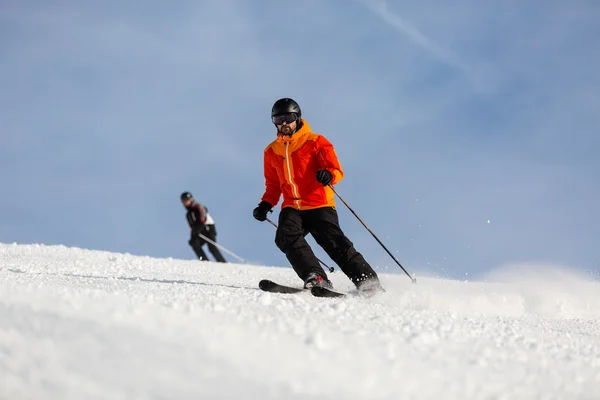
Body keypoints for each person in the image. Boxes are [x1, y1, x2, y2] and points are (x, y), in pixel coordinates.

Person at [252, 98, 383, 293]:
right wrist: (265, 204)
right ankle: (316, 276)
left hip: (319, 203)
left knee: (334, 244)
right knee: (286, 236)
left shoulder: (316, 141)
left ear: (297, 117)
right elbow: (273, 185)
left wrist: (328, 174)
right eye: (278, 119)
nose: (284, 123)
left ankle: (368, 283)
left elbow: (336, 169)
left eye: (288, 117)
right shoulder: (271, 151)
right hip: (292, 206)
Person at [181, 192, 226, 263]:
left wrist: (198, 228)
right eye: (184, 200)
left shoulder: (198, 207)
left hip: (208, 228)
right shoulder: (188, 215)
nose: (186, 202)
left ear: (191, 199)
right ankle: (205, 261)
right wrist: (193, 237)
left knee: (211, 247)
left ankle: (223, 263)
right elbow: (192, 227)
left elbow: (203, 219)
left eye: (187, 200)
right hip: (200, 231)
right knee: (195, 244)